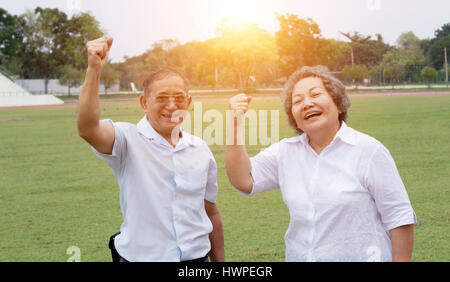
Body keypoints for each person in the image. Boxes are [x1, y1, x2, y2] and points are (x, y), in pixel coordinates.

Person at [225, 65, 416, 262]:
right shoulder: (285, 152)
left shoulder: (368, 150)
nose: (307, 103)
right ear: (295, 120)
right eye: (297, 101)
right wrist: (234, 123)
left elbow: (399, 215)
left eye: (315, 94)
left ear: (339, 104)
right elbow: (243, 179)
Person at [77, 37, 225, 262]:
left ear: (189, 102)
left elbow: (210, 210)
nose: (172, 106)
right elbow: (88, 129)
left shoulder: (200, 149)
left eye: (179, 98)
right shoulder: (127, 140)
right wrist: (94, 69)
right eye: (162, 98)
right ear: (144, 103)